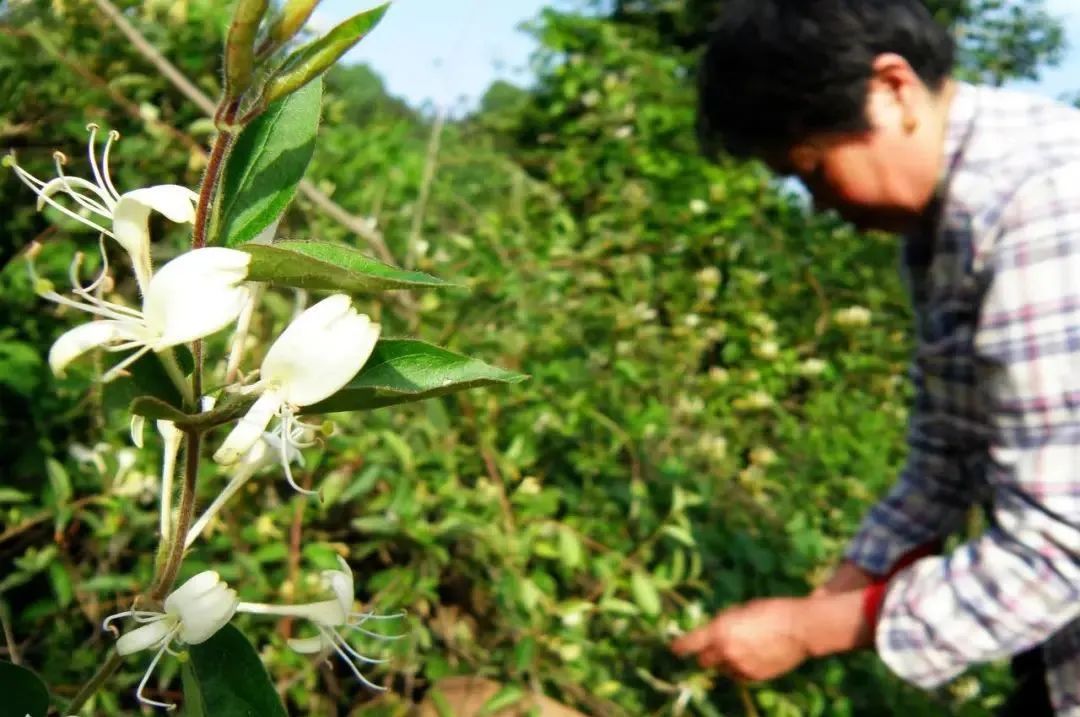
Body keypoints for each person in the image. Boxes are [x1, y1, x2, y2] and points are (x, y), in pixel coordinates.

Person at [669, 1, 1080, 715]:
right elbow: (949, 449)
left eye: (812, 171)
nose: (821, 206)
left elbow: (1060, 545)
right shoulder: (947, 221)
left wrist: (809, 630)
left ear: (892, 89)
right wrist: (842, 590)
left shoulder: (1042, 204)